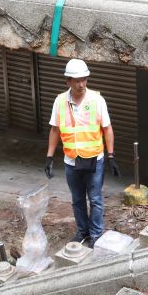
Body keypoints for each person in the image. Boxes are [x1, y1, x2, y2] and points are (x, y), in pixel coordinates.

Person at [44, 59, 119, 248]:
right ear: (68, 81)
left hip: (94, 159)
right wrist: (49, 157)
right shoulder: (60, 101)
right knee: (77, 200)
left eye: (84, 79)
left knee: (95, 199)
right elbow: (55, 130)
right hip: (71, 161)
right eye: (77, 81)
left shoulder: (97, 100)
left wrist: (111, 155)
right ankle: (83, 232)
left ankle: (96, 234)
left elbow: (107, 128)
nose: (81, 84)